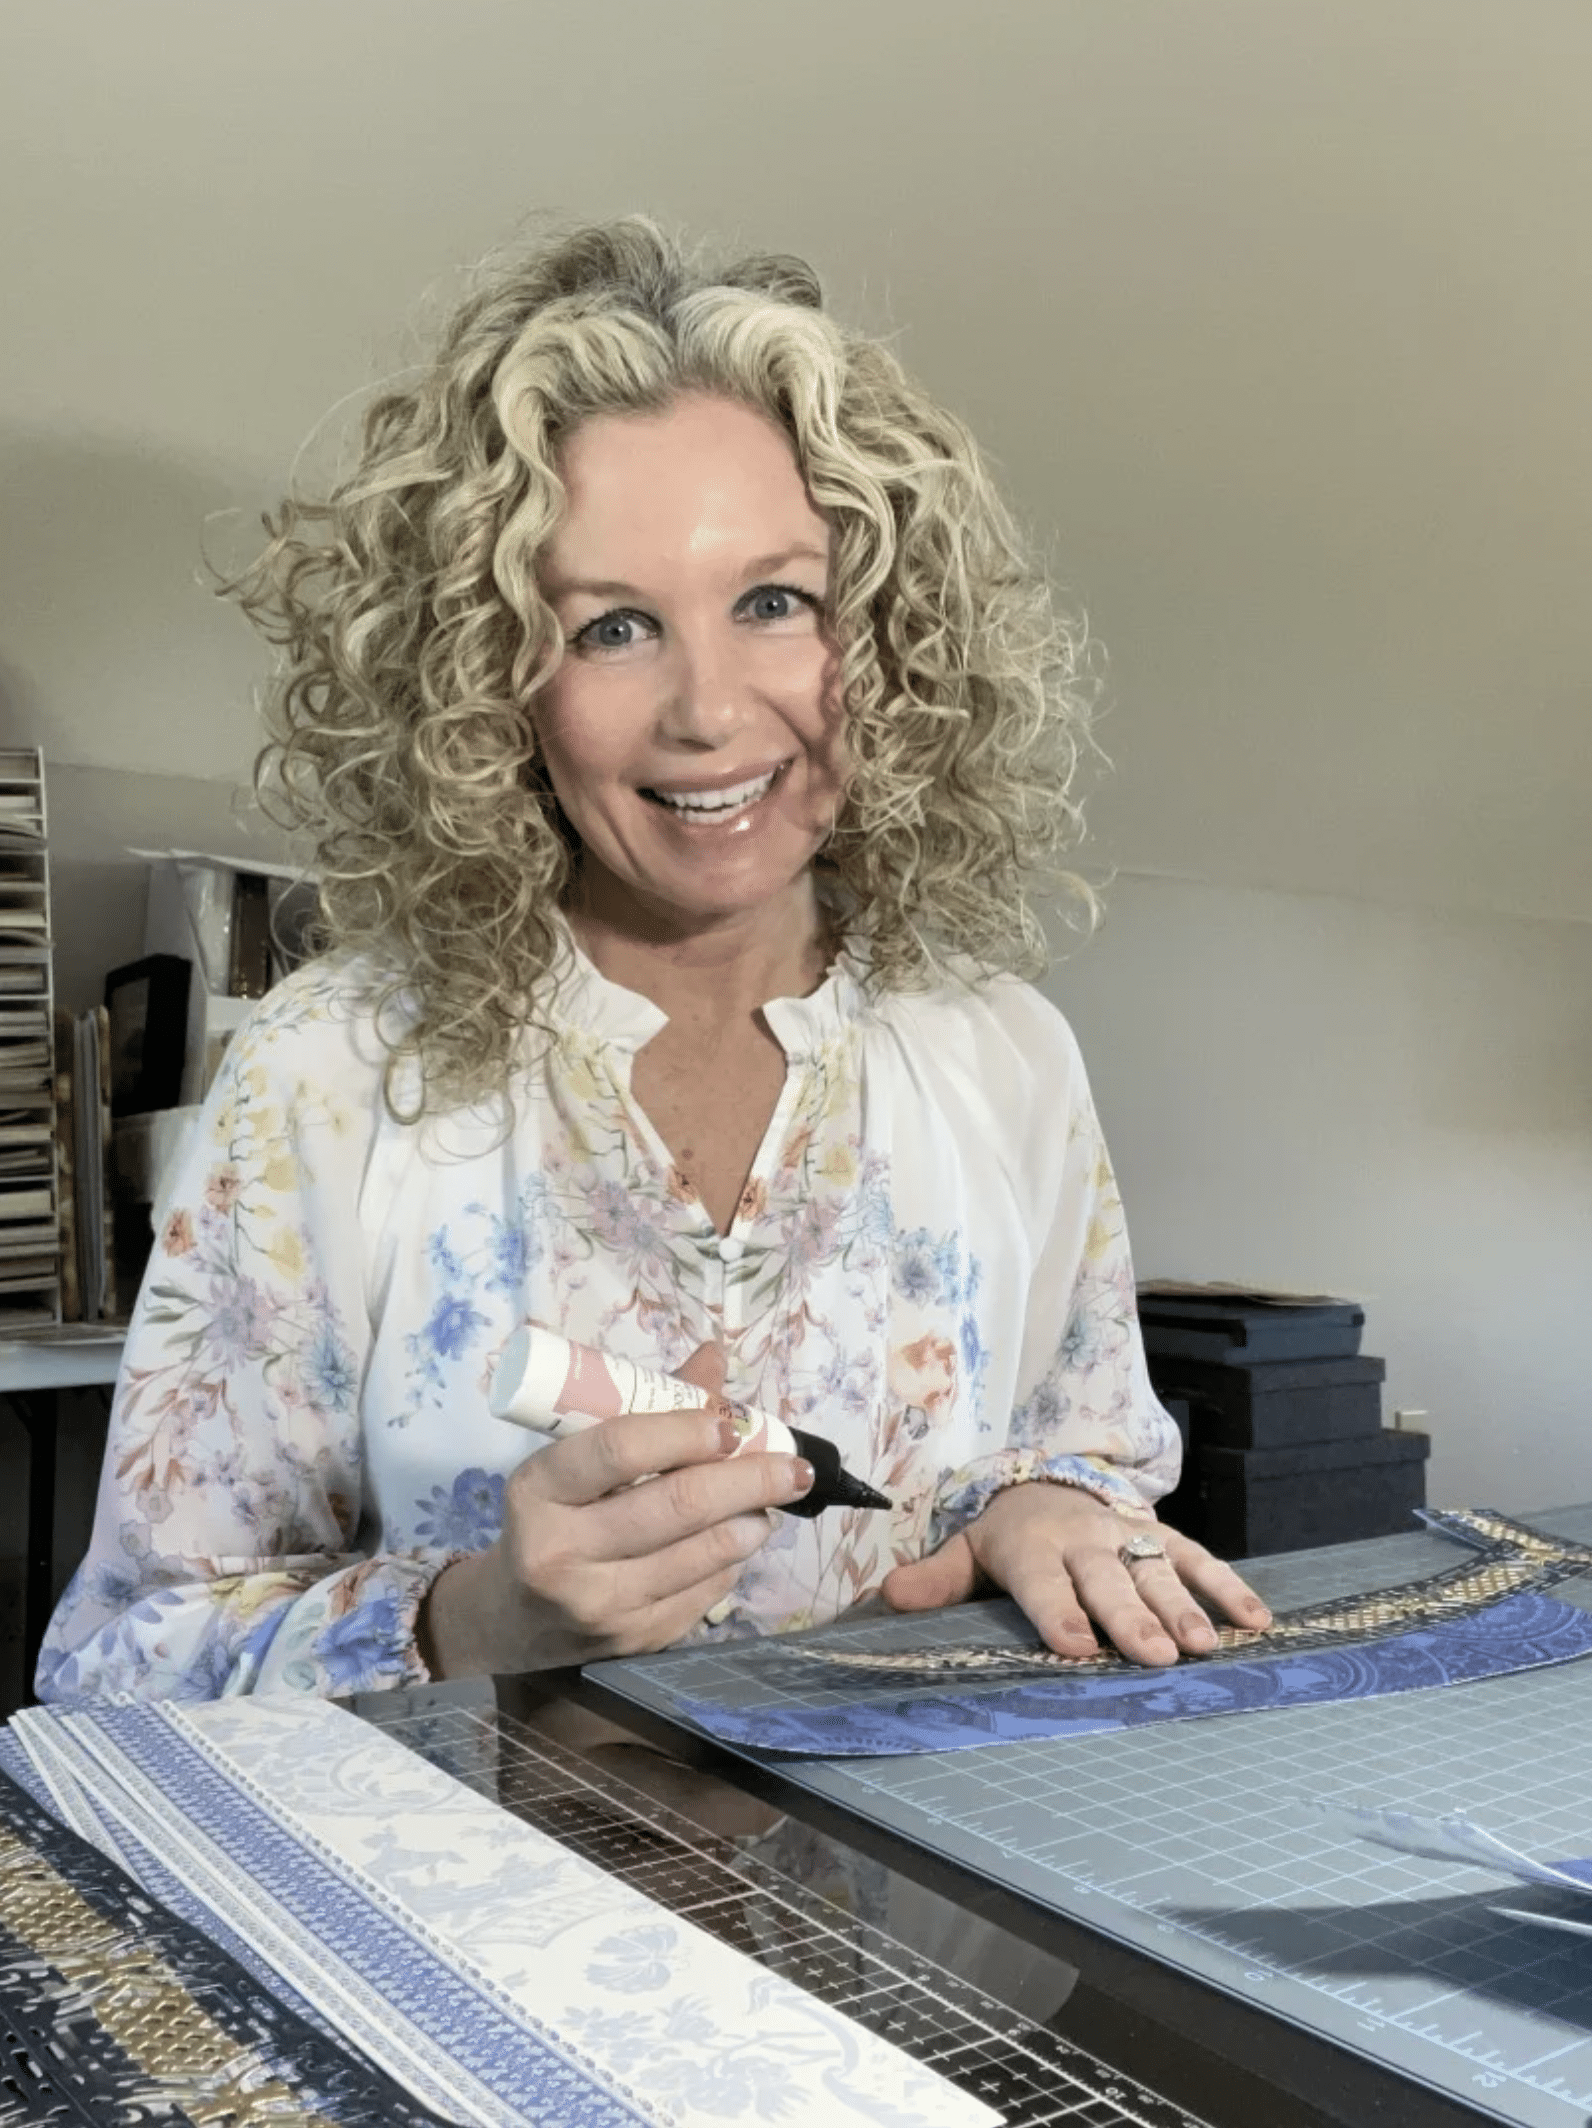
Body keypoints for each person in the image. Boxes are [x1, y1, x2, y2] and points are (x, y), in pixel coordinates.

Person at [38, 218, 1268, 1704]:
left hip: (933, 1922)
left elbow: (1084, 1458)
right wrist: (467, 1625)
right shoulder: (328, 1073)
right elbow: (115, 1672)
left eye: (774, 603)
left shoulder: (1008, 1057)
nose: (708, 711)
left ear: (883, 631)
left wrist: (1044, 1509)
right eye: (612, 626)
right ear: (493, 687)